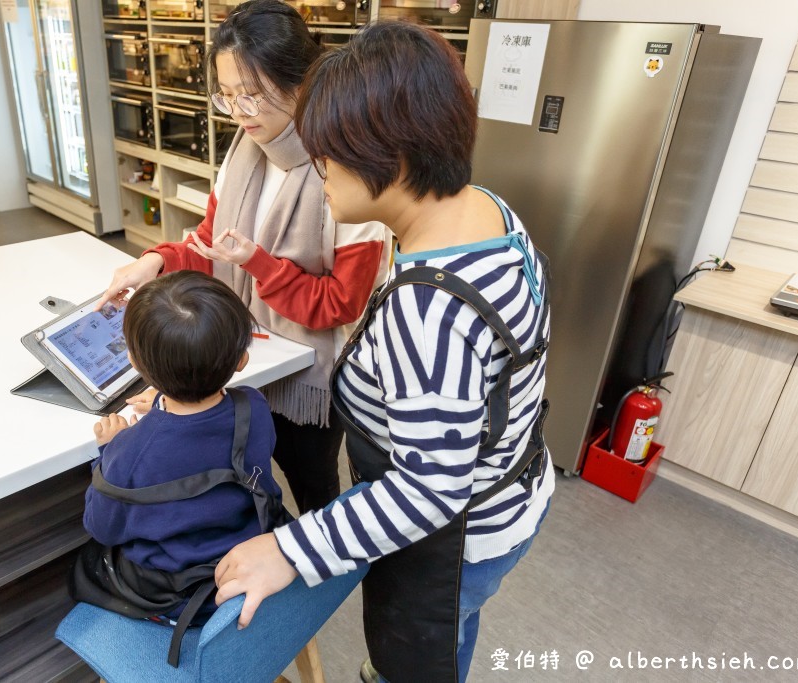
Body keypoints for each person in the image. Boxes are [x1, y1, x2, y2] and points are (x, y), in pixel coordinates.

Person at [213, 21, 554, 683]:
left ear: (390, 157)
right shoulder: (483, 210)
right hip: (512, 490)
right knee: (453, 631)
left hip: (456, 541)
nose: (318, 171)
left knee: (412, 661)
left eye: (329, 156)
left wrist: (290, 548)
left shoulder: (431, 312)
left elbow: (429, 488)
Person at [96, 0, 390, 515]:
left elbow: (340, 304)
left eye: (252, 95)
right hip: (240, 357)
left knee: (312, 486)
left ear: (303, 82)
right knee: (239, 478)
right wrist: (156, 262)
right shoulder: (244, 150)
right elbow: (212, 245)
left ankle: (316, 580)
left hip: (307, 375)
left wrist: (258, 263)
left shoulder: (347, 167)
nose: (238, 112)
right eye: (227, 95)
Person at [70, 271, 289, 664]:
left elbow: (101, 527)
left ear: (135, 361)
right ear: (241, 359)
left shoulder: (127, 453)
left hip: (175, 596)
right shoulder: (253, 406)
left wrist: (108, 449)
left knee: (85, 564)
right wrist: (167, 398)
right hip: (244, 561)